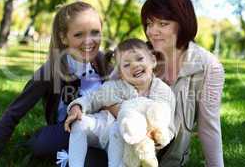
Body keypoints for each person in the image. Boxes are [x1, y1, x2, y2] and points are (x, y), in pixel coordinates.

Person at [0, 1, 111, 166]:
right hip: (66, 130)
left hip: (101, 128)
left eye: (95, 32)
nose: (89, 41)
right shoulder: (50, 71)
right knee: (44, 144)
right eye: (79, 34)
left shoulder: (103, 62)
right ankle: (37, 141)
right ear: (63, 37)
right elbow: (14, 112)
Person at [140, 0, 225, 167]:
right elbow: (108, 94)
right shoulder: (137, 55)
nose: (152, 31)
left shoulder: (209, 66)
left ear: (182, 25)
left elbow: (209, 127)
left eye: (163, 23)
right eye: (149, 24)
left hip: (168, 160)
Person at [64, 38, 176, 167]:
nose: (134, 65)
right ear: (121, 74)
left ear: (152, 60)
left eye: (139, 59)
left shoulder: (162, 91)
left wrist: (156, 137)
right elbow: (92, 98)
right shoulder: (114, 87)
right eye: (126, 65)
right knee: (80, 124)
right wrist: (77, 107)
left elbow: (167, 123)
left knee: (119, 128)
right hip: (104, 128)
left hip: (131, 142)